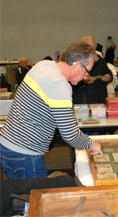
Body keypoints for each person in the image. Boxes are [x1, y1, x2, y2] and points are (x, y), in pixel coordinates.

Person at [0, 41, 103, 179]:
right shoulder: (59, 84)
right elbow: (69, 134)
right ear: (77, 64)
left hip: (8, 145)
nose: (86, 76)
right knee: (34, 197)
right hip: (25, 153)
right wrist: (92, 144)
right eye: (87, 70)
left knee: (19, 192)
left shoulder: (44, 65)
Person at [73, 35, 112, 104]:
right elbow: (71, 81)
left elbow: (109, 73)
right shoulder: (76, 60)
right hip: (82, 101)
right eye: (88, 47)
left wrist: (108, 77)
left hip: (99, 100)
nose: (91, 50)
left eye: (93, 48)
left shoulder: (99, 59)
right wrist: (83, 81)